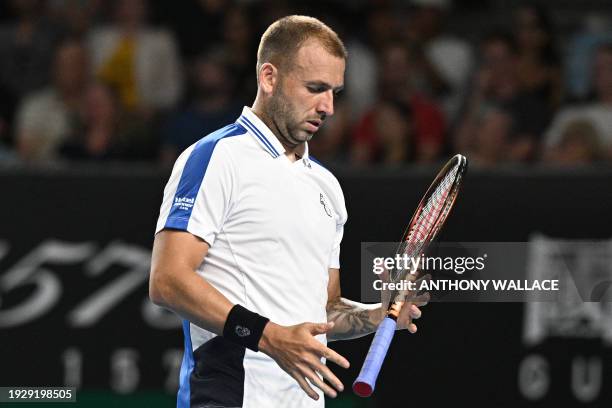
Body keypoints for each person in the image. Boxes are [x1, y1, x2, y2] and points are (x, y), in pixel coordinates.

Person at [149, 15, 423, 408]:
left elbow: (324, 310)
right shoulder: (216, 157)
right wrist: (268, 336)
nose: (327, 106)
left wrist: (373, 316)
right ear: (269, 77)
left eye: (334, 91)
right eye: (315, 88)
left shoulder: (326, 186)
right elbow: (167, 280)